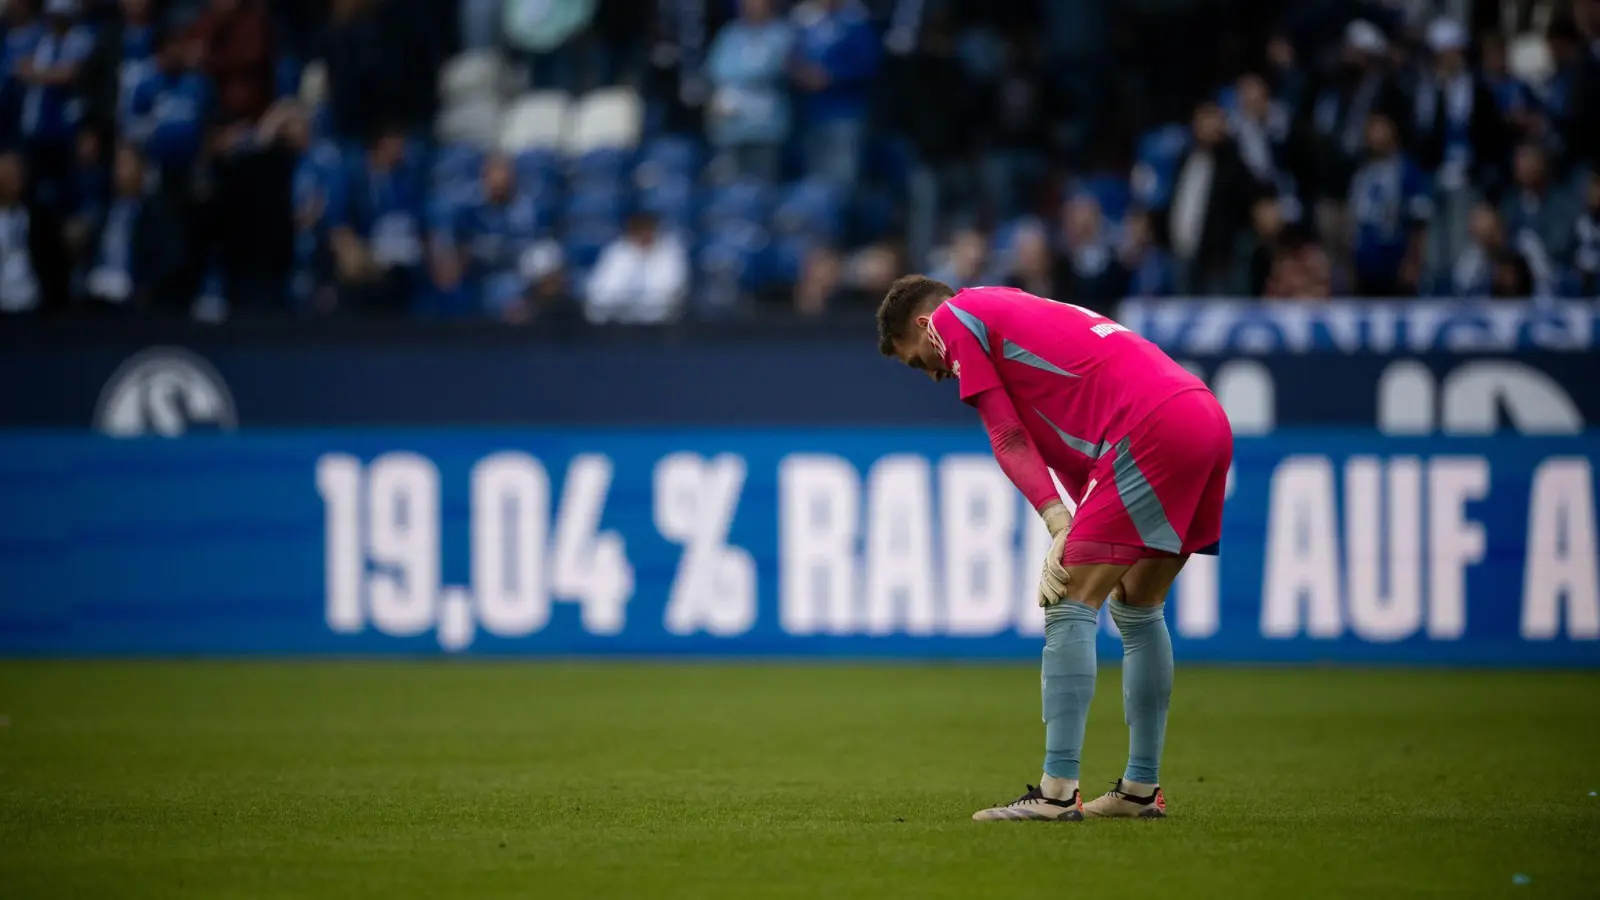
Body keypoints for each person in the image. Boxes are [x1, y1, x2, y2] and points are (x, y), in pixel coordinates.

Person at [875, 276, 1232, 822]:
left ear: (925, 325)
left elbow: (1008, 437)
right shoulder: (1009, 307)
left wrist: (1057, 521)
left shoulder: (953, 318)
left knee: (1068, 598)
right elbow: (1073, 434)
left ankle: (1057, 791)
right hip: (1201, 415)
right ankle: (1140, 789)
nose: (934, 373)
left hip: (1151, 425)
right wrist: (1070, 516)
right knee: (1138, 605)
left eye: (918, 361)